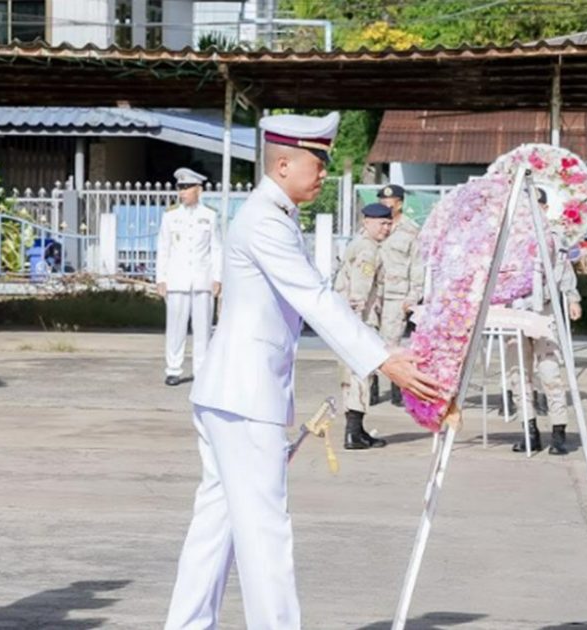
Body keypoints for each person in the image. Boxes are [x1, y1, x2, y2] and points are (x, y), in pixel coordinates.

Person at [165, 113, 442, 630]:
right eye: (318, 163)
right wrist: (383, 359)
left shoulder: (273, 214)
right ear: (284, 164)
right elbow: (314, 297)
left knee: (216, 526)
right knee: (264, 532)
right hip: (245, 396)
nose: (324, 173)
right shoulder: (266, 220)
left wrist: (382, 350)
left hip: (231, 393)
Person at [510, 188, 583, 455]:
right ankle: (529, 431)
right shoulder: (510, 237)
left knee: (550, 371)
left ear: (544, 208)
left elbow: (564, 269)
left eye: (535, 206)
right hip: (515, 309)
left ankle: (558, 431)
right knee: (518, 373)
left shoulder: (553, 236)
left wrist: (572, 298)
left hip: (544, 309)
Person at [335, 202, 394, 450]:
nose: (386, 228)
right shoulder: (368, 249)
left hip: (347, 319)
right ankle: (354, 433)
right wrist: (358, 323)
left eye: (389, 223)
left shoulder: (360, 244)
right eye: (381, 223)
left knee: (352, 376)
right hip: (359, 320)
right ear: (366, 223)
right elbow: (360, 289)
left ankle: (356, 430)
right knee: (360, 374)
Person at [156, 167, 222, 386]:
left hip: (202, 280)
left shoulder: (210, 215)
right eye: (180, 188)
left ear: (198, 190)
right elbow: (163, 248)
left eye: (187, 188)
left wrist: (218, 277)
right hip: (177, 280)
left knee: (203, 329)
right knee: (175, 328)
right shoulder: (170, 216)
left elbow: (216, 248)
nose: (182, 192)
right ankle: (173, 369)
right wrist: (161, 278)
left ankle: (201, 371)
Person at [377, 184, 424, 408]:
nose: (385, 206)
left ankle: (397, 388)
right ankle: (370, 388)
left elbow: (417, 265)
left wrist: (413, 295)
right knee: (369, 339)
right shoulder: (373, 225)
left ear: (400, 204)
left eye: (390, 203)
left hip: (397, 295)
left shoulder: (411, 230)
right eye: (382, 202)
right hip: (374, 294)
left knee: (391, 342)